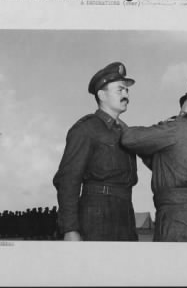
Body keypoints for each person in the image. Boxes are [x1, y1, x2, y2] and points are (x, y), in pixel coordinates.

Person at [121, 81, 187, 242]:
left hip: (178, 218)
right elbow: (166, 163)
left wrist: (122, 126)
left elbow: (130, 138)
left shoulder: (178, 127)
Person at [53, 62, 138, 241]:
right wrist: (70, 229)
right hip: (97, 216)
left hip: (125, 214)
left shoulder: (125, 132)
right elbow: (68, 179)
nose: (126, 94)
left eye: (127, 91)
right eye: (120, 90)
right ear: (102, 95)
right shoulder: (86, 128)